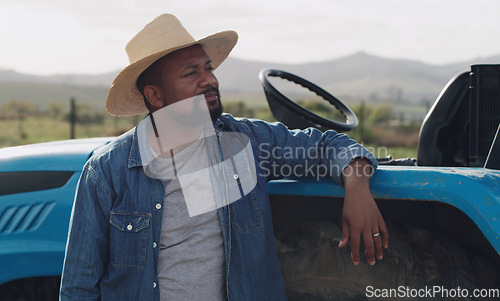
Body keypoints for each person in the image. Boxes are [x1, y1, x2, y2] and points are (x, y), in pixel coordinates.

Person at [59, 14, 388, 301]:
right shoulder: (107, 172)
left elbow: (327, 145)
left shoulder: (246, 143)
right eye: (190, 74)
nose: (209, 80)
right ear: (155, 96)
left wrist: (357, 187)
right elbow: (79, 287)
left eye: (208, 68)